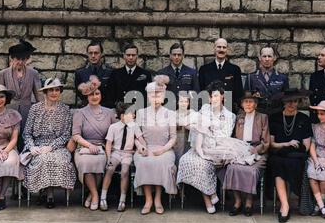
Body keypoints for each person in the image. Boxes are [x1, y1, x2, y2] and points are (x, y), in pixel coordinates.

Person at [177, 81, 236, 214]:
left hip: (219, 147)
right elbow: (196, 127)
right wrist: (200, 128)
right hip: (201, 145)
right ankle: (210, 196)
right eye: (211, 97)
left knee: (204, 164)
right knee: (186, 160)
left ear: (222, 96)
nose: (214, 99)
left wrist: (207, 128)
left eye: (217, 96)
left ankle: (210, 196)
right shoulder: (204, 109)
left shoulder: (229, 116)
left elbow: (224, 136)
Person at [22, 78, 76, 208]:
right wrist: (32, 147)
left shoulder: (65, 110)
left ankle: (49, 194)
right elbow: (27, 133)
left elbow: (66, 135)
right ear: (45, 92)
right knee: (42, 159)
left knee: (58, 160)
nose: (54, 93)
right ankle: (47, 193)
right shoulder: (35, 109)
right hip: (38, 145)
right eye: (50, 90)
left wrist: (51, 147)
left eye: (57, 90)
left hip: (58, 146)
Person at [218, 91, 270, 216]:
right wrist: (237, 150)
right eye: (245, 102)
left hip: (256, 150)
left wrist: (256, 150)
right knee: (231, 168)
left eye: (251, 102)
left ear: (256, 104)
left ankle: (249, 201)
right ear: (241, 104)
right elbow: (235, 137)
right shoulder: (239, 117)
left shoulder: (263, 117)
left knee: (251, 171)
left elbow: (266, 141)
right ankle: (237, 201)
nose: (248, 104)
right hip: (240, 149)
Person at [134, 75, 177, 215]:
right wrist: (141, 147)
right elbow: (135, 135)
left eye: (158, 95)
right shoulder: (141, 113)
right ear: (148, 97)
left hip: (164, 149)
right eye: (152, 95)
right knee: (144, 162)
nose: (156, 97)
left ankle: (158, 199)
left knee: (161, 163)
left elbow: (173, 137)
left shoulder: (170, 113)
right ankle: (148, 199)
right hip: (146, 147)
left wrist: (163, 149)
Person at [72, 76, 116, 211]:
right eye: (91, 94)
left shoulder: (110, 113)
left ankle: (91, 195)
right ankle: (95, 195)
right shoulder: (80, 113)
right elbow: (76, 135)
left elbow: (116, 132)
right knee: (87, 162)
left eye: (97, 93)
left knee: (99, 162)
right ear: (86, 96)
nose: (95, 96)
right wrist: (89, 145)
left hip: (102, 147)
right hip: (84, 147)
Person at [268, 88, 312, 223]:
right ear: (283, 102)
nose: (291, 104)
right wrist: (286, 144)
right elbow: (271, 144)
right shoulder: (274, 118)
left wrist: (295, 148)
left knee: (291, 163)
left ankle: (285, 202)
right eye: (288, 102)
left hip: (296, 156)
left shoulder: (304, 119)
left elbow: (307, 145)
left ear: (298, 102)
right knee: (277, 163)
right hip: (279, 153)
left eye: (294, 101)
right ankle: (285, 205)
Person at [101, 102, 146, 212]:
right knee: (110, 168)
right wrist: (108, 158)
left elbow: (141, 139)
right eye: (131, 114)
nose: (134, 116)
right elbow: (108, 144)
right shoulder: (113, 127)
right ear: (122, 116)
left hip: (127, 153)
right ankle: (103, 197)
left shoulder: (134, 126)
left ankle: (122, 199)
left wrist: (143, 147)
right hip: (116, 152)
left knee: (125, 171)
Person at [0, 40, 42, 133]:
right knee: (9, 135)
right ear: (12, 58)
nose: (20, 62)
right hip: (9, 111)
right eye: (18, 59)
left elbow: (39, 96)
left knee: (25, 136)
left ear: (27, 59)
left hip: (27, 111)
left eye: (23, 59)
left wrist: (41, 112)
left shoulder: (33, 73)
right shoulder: (3, 73)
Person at [198, 38, 243, 108]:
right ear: (214, 49)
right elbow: (201, 92)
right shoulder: (204, 70)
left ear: (227, 50)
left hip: (229, 110)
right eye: (219, 47)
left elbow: (239, 94)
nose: (221, 50)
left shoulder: (235, 70)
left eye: (224, 47)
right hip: (209, 111)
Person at [244, 45, 289, 116]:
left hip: (277, 116)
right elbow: (247, 100)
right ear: (260, 58)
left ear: (274, 58)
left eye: (269, 56)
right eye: (264, 56)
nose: (267, 59)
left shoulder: (282, 78)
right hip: (257, 116)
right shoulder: (251, 78)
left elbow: (286, 100)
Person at [107, 43, 152, 108]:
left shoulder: (145, 74)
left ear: (137, 56)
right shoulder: (115, 73)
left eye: (133, 55)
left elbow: (148, 96)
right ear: (124, 56)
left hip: (139, 111)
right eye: (128, 55)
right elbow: (110, 95)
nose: (131, 57)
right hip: (120, 111)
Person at [74, 40, 114, 108]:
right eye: (90, 53)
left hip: (105, 109)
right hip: (87, 110)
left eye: (96, 53)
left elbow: (113, 94)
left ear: (101, 54)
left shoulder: (110, 72)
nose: (93, 56)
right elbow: (79, 95)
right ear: (87, 54)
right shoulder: (80, 72)